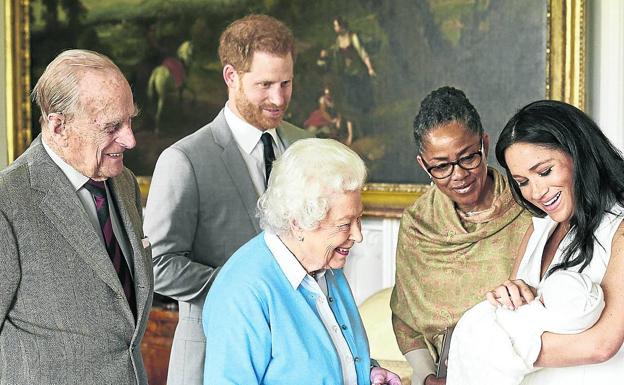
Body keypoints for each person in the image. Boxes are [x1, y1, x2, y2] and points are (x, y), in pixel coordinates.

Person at [143, 14, 312, 385]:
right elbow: (157, 266)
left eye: (286, 83)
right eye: (265, 84)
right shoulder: (183, 160)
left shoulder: (306, 147)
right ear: (231, 77)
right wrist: (246, 287)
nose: (279, 99)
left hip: (297, 362)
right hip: (210, 357)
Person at [0, 49, 153, 384]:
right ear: (58, 126)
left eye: (130, 121)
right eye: (113, 126)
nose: (129, 139)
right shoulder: (8, 203)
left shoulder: (124, 183)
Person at [202, 138, 401, 385]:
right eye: (344, 224)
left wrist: (367, 373)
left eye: (359, 219)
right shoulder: (242, 292)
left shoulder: (327, 266)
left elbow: (322, 361)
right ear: (298, 223)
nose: (357, 235)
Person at [389, 86, 532, 385]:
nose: (458, 175)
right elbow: (406, 318)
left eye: (468, 158)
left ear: (485, 144)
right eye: (441, 166)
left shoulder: (529, 208)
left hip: (524, 369)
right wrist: (427, 376)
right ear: (423, 165)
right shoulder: (418, 225)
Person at [487, 99, 624, 384]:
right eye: (522, 182)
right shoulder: (539, 228)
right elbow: (514, 315)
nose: (536, 192)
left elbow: (602, 345)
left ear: (579, 153)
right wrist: (508, 298)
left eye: (545, 171)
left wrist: (491, 346)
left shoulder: (619, 228)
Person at [448, 270, 604, 385]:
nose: (537, 300)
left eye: (542, 301)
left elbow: (601, 348)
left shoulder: (533, 338)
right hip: (480, 322)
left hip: (487, 338)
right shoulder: (538, 228)